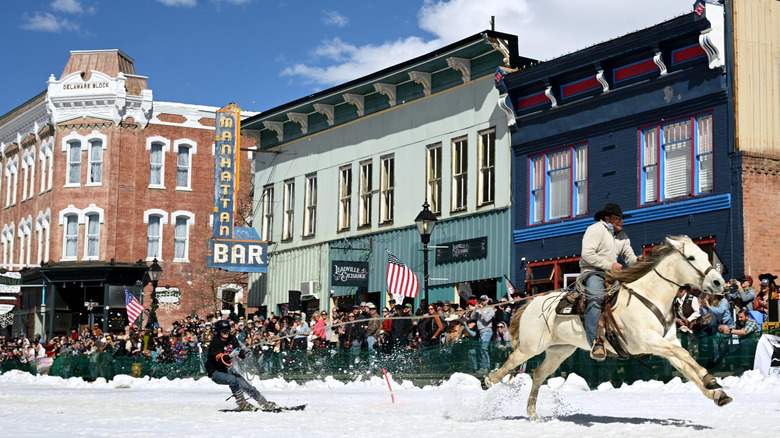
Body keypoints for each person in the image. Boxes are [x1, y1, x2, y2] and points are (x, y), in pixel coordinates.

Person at [579, 203, 641, 361]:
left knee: (631, 297)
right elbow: (587, 254)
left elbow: (630, 258)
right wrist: (609, 265)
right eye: (617, 217)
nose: (621, 221)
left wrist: (639, 261)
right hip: (593, 272)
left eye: (622, 218)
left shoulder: (622, 236)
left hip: (612, 274)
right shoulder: (595, 229)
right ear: (607, 218)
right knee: (595, 297)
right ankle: (596, 342)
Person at [206, 319, 278, 411]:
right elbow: (220, 360)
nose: (226, 333)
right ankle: (241, 403)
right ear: (219, 331)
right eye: (223, 331)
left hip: (228, 369)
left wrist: (243, 353)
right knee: (232, 380)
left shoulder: (232, 338)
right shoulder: (215, 343)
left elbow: (239, 351)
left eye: (228, 330)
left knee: (246, 386)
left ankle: (264, 402)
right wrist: (231, 355)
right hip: (216, 371)